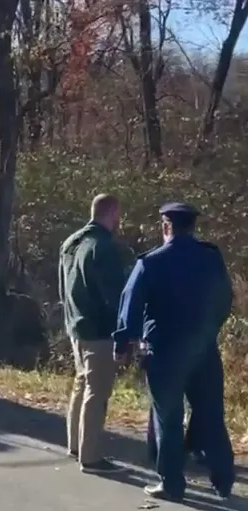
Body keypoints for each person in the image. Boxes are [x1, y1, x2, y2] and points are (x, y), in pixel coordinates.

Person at [114, 202, 234, 501]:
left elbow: (129, 306)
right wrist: (209, 332)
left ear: (166, 226)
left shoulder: (151, 262)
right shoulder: (211, 257)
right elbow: (224, 299)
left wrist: (123, 345)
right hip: (204, 349)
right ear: (192, 227)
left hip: (165, 352)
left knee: (168, 417)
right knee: (210, 413)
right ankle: (223, 479)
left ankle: (171, 482)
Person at [58, 193, 126, 474]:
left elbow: (62, 286)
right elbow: (114, 296)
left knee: (81, 384)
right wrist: (123, 331)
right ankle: (91, 457)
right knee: (97, 393)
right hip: (98, 330)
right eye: (118, 214)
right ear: (111, 213)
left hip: (76, 325)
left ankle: (76, 444)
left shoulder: (70, 242)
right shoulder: (103, 247)